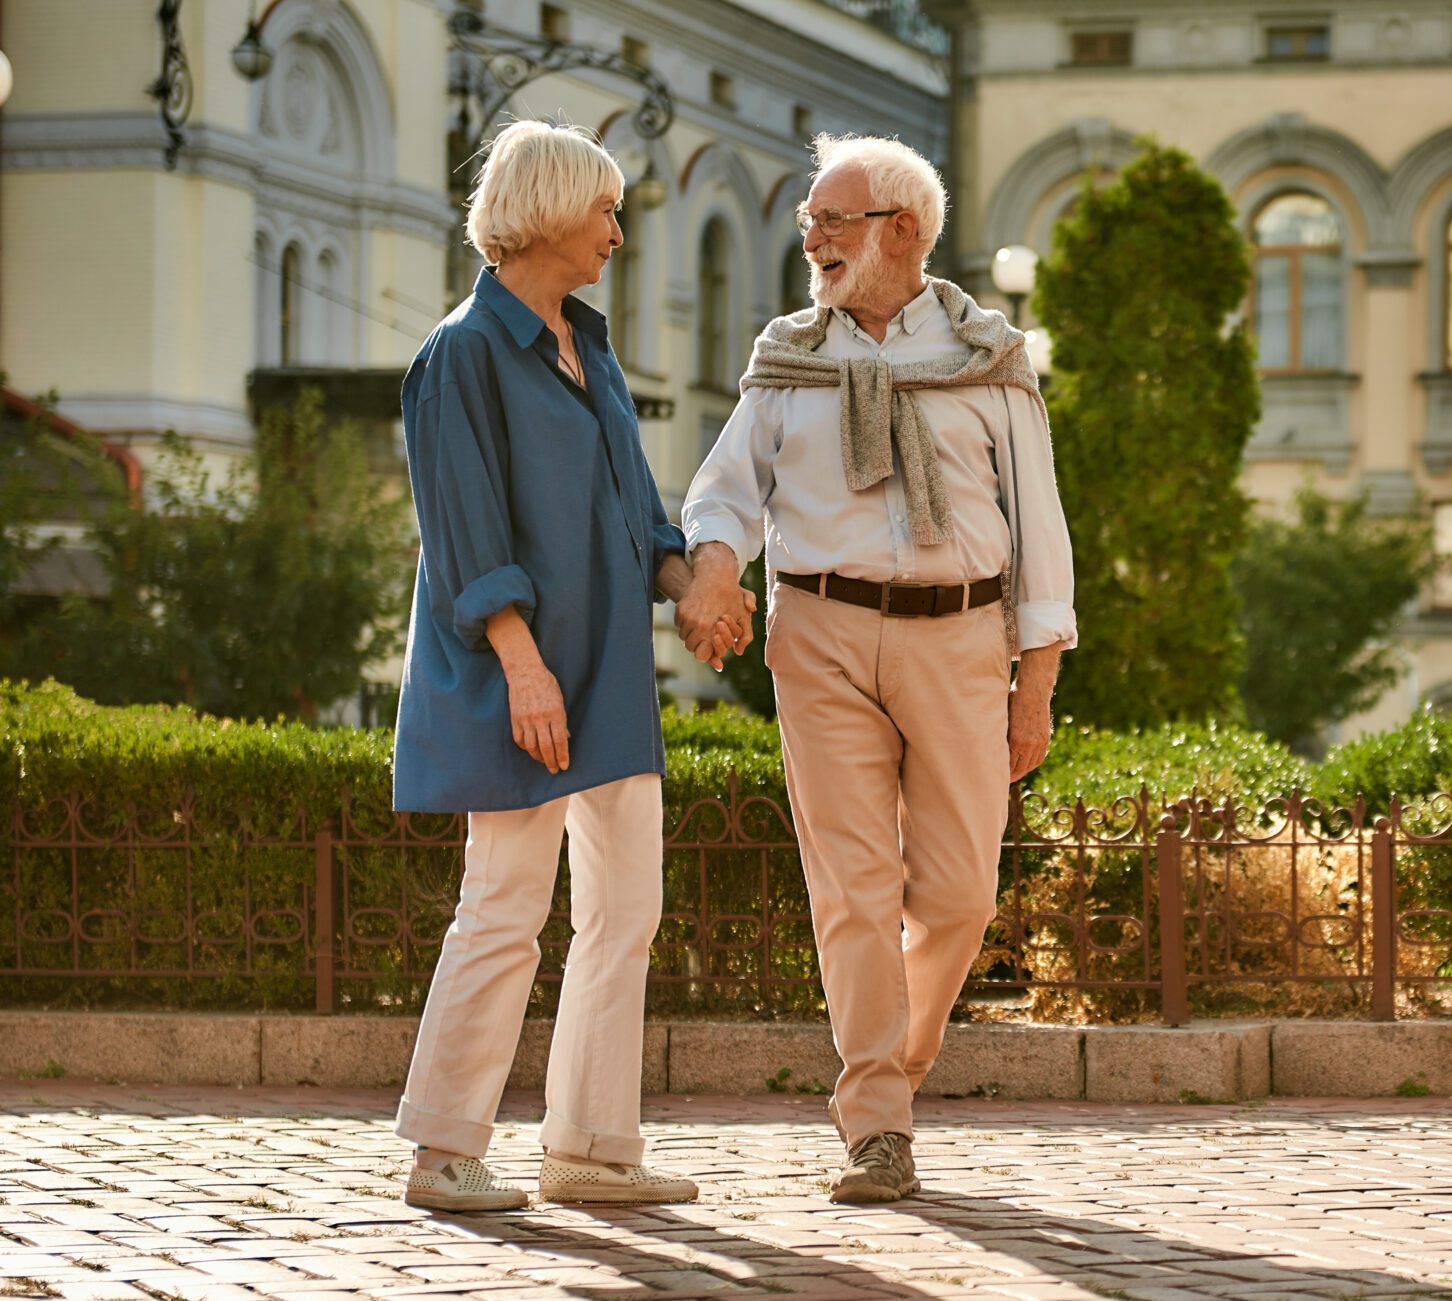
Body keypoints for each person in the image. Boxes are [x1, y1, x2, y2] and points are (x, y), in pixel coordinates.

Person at [678, 134, 1075, 1204]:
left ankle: (893, 1063)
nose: (811, 240)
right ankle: (876, 1122)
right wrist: (714, 569)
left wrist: (1034, 680)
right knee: (852, 888)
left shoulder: (989, 354)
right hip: (818, 633)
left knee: (956, 892)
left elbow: (1039, 525)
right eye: (809, 223)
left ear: (901, 229)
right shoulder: (787, 351)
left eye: (830, 221)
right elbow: (725, 490)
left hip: (959, 636)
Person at [390, 120, 740, 1211]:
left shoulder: (588, 347)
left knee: (626, 907)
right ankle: (445, 1150)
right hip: (519, 674)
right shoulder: (459, 353)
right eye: (604, 212)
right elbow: (465, 533)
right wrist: (522, 665)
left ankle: (590, 1143)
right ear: (547, 210)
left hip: (608, 676)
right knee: (502, 904)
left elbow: (640, 511)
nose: (617, 236)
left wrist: (693, 597)